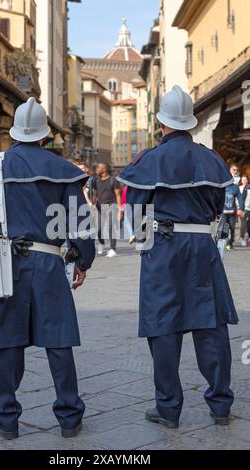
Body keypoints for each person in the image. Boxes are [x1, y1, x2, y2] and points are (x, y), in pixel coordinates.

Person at [0, 97, 95, 440]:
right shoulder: (62, 170)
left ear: (14, 132)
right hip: (48, 262)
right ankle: (68, 416)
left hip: (4, 262)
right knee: (58, 339)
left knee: (7, 341)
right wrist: (81, 258)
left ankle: (5, 419)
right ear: (45, 136)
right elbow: (79, 222)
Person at [118, 85, 239, 428]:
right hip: (203, 247)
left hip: (164, 247)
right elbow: (218, 207)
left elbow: (135, 209)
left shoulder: (149, 160)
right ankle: (220, 405)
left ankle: (169, 408)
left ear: (161, 123)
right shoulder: (211, 159)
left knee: (163, 326)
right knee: (210, 326)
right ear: (190, 122)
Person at [92, 163, 122, 258]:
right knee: (99, 228)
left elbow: (118, 195)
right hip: (99, 207)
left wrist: (119, 210)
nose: (96, 169)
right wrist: (92, 206)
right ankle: (102, 243)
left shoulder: (113, 180)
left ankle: (113, 249)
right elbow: (95, 195)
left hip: (111, 206)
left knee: (110, 228)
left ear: (104, 169)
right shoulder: (95, 180)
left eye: (98, 167)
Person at [221, 164, 244, 250]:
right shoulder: (223, 186)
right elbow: (217, 197)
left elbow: (240, 198)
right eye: (234, 170)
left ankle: (230, 243)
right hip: (223, 212)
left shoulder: (235, 187)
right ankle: (222, 243)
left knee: (232, 228)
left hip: (232, 212)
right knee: (223, 228)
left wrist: (241, 209)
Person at [239, 176, 249, 247]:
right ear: (241, 181)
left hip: (248, 209)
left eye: (245, 179)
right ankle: (242, 238)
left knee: (248, 225)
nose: (244, 181)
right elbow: (237, 199)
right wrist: (240, 209)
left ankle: (248, 239)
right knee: (243, 225)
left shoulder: (249, 188)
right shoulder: (239, 188)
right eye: (243, 180)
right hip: (241, 209)